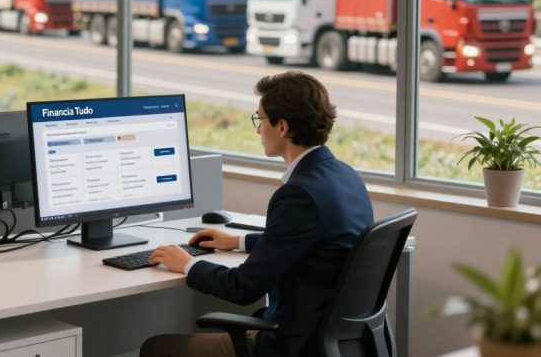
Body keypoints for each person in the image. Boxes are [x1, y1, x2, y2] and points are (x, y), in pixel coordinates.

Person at [141, 71, 374, 357]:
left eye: (260, 120)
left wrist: (187, 263)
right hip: (338, 341)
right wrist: (237, 241)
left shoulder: (298, 194)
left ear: (282, 127)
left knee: (156, 349)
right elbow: (307, 242)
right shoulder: (345, 176)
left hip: (293, 346)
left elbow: (242, 288)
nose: (257, 130)